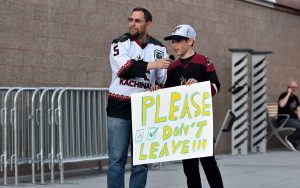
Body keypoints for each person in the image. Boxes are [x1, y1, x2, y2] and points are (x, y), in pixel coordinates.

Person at [106, 7, 171, 188]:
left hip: (145, 109)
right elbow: (124, 70)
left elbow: (162, 79)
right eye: (131, 20)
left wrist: (159, 84)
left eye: (137, 21)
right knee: (116, 161)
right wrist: (153, 64)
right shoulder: (120, 43)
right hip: (119, 107)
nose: (132, 24)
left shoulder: (159, 47)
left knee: (141, 163)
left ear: (148, 24)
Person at [163, 24, 224, 188]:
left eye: (178, 41)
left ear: (190, 41)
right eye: (173, 42)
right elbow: (167, 94)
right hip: (182, 125)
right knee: (189, 168)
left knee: (209, 164)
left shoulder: (204, 61)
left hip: (201, 124)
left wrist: (200, 86)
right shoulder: (172, 67)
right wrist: (158, 90)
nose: (174, 45)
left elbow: (216, 86)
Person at [278, 80, 300, 151]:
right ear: (288, 87)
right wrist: (288, 93)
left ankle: (295, 143)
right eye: (292, 87)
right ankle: (290, 139)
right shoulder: (283, 95)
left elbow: (299, 110)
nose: (294, 89)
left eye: (295, 87)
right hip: (284, 119)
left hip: (293, 119)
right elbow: (281, 105)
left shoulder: (296, 98)